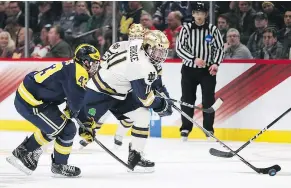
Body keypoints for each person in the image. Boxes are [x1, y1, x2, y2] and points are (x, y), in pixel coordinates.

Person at [77, 30, 172, 172]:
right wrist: (162, 105)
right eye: (157, 51)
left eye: (162, 52)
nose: (160, 56)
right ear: (148, 47)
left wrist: (164, 95)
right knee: (83, 125)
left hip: (120, 92)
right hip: (99, 92)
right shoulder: (142, 66)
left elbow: (155, 81)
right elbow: (146, 99)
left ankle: (136, 156)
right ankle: (47, 148)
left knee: (143, 115)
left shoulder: (139, 44)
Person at [6, 44, 101, 177]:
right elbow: (77, 105)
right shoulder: (79, 72)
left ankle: (55, 163)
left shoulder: (74, 67)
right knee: (65, 128)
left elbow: (72, 98)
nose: (96, 66)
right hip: (31, 102)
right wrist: (86, 125)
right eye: (94, 62)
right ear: (85, 61)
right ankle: (24, 153)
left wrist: (80, 119)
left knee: (63, 127)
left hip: (37, 99)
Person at [175, 1, 224, 141]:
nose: (199, 15)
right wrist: (193, 58)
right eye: (196, 13)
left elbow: (219, 48)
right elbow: (179, 48)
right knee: (187, 99)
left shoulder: (213, 30)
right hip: (189, 70)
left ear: (206, 14)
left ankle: (208, 130)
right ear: (193, 14)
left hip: (207, 71)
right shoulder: (185, 29)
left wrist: (215, 64)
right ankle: (185, 128)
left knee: (208, 100)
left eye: (201, 13)